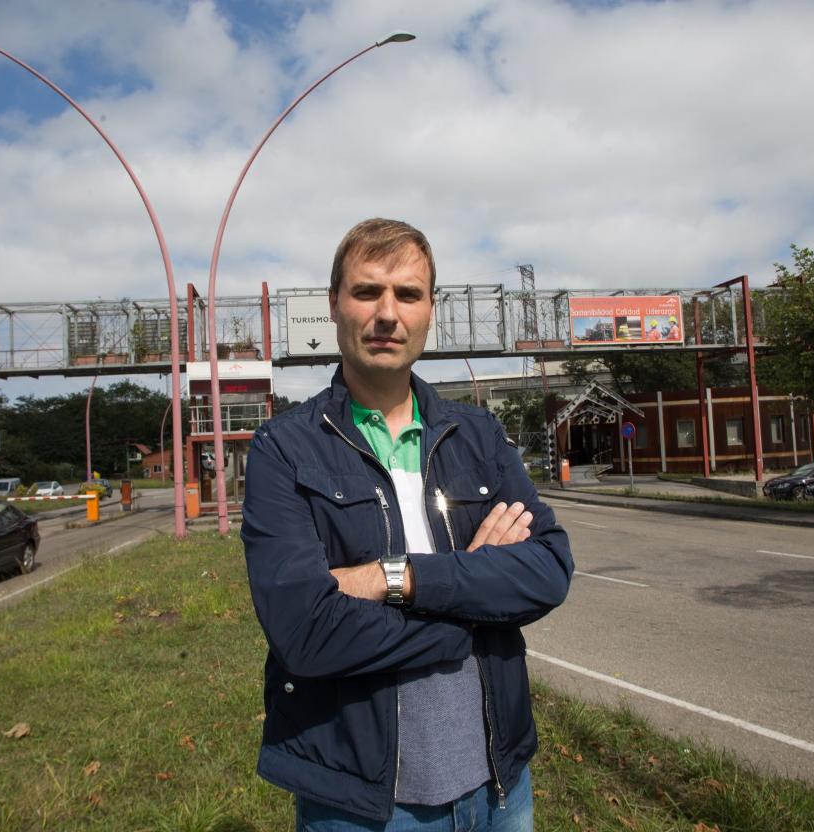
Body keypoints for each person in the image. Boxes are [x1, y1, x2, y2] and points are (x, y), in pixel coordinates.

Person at [241, 218, 574, 830]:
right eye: (367, 292)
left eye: (408, 294)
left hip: (501, 790)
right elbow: (305, 632)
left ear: (430, 311)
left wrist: (391, 579)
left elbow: (549, 569)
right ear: (335, 307)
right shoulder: (283, 450)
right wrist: (474, 609)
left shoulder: (478, 436)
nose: (387, 313)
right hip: (359, 806)